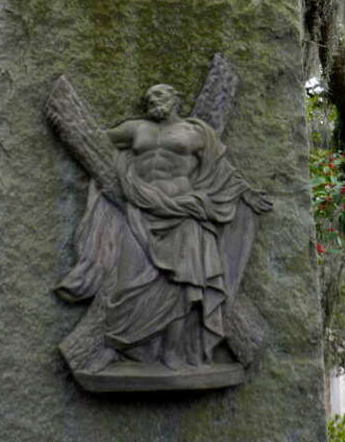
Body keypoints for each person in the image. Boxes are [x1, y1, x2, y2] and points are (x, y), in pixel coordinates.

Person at [56, 84, 269, 372]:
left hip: (184, 214)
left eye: (160, 95)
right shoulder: (135, 129)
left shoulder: (195, 132)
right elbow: (95, 140)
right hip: (141, 210)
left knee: (184, 285)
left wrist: (247, 194)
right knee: (127, 280)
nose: (153, 100)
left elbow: (222, 171)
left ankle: (173, 353)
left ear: (176, 99)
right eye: (149, 97)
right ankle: (126, 347)